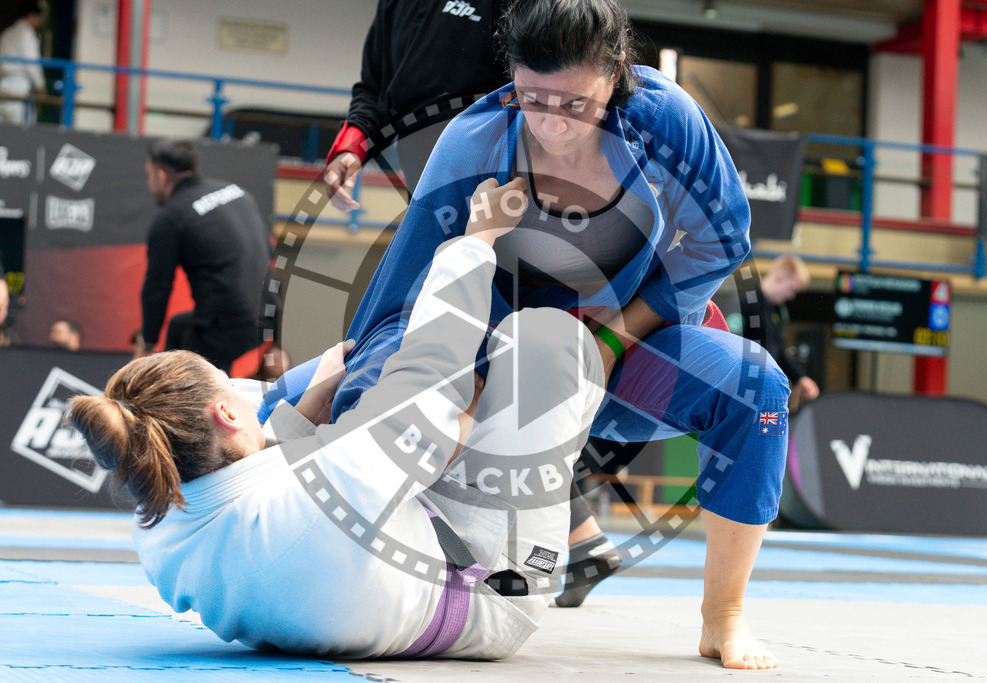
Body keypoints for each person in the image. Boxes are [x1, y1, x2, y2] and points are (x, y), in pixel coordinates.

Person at [264, 0, 788, 669]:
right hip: (494, 365)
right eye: (532, 97)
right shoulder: (474, 141)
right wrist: (356, 390)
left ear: (617, 73)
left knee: (757, 392)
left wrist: (618, 334)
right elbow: (402, 295)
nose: (551, 122)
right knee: (358, 392)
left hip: (621, 352)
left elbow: (724, 237)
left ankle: (725, 615)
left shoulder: (667, 120)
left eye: (575, 103)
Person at [70, 180, 606, 659]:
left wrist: (303, 416)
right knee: (545, 339)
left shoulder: (159, 523)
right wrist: (478, 240)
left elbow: (251, 504)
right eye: (230, 385)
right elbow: (430, 370)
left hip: (344, 569)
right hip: (493, 593)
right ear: (228, 412)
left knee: (349, 384)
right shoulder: (324, 494)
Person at [324, 0, 509, 208]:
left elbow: (526, 81)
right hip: (417, 165)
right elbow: (375, 87)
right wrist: (350, 148)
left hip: (484, 163)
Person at [138, 139, 274, 372]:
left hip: (228, 327)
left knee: (184, 377)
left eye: (149, 174)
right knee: (179, 328)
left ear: (160, 176)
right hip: (269, 316)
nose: (149, 182)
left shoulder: (171, 217)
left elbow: (157, 289)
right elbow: (266, 255)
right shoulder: (236, 192)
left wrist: (147, 345)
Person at [730, 255, 819, 407]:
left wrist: (800, 378)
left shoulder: (777, 312)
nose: (791, 296)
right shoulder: (746, 302)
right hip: (740, 390)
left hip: (762, 390)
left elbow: (778, 351)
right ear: (779, 277)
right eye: (792, 289)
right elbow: (729, 344)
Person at [0, 1, 45, 125]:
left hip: (3, 84)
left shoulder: (7, 33)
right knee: (21, 130)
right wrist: (41, 86)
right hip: (19, 85)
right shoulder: (27, 33)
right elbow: (32, 63)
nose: (39, 22)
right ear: (32, 16)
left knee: (3, 131)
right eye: (39, 18)